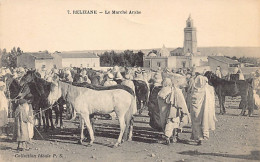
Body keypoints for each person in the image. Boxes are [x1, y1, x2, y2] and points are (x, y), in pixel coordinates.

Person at [190, 75, 217, 145]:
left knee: (196, 123)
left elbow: (189, 100)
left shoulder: (194, 91)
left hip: (195, 111)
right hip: (204, 110)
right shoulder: (206, 91)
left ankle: (199, 138)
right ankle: (202, 136)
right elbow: (211, 101)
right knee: (203, 121)